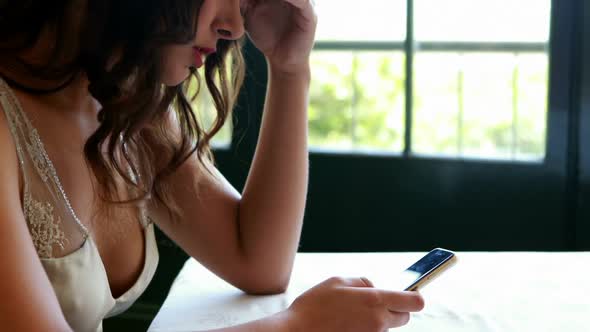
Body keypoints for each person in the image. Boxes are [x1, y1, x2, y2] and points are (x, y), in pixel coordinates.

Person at [0, 0, 425, 331]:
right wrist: (297, 326)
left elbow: (258, 262)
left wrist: (290, 68)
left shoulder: (130, 106)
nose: (234, 28)